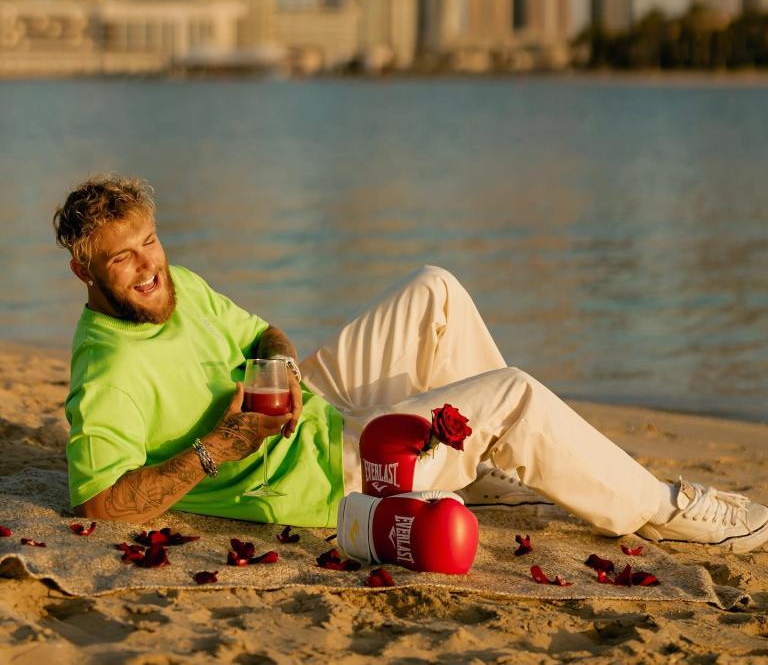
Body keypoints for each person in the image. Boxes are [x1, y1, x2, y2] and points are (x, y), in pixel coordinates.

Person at [55, 173, 768, 553]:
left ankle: (487, 459)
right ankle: (665, 511)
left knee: (436, 291)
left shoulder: (181, 287)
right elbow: (99, 505)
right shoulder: (107, 371)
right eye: (123, 256)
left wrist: (276, 363)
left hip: (312, 409)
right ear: (85, 269)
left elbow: (264, 330)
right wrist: (219, 447)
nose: (148, 265)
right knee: (513, 392)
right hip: (317, 475)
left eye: (148, 240)